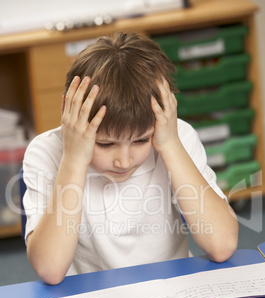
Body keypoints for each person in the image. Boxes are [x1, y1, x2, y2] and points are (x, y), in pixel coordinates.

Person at [22, 31, 238, 285]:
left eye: (141, 140)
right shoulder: (46, 152)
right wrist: (74, 159)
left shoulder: (176, 137)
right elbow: (50, 269)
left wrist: (169, 145)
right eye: (105, 143)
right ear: (70, 114)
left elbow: (222, 245)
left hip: (170, 291)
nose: (124, 162)